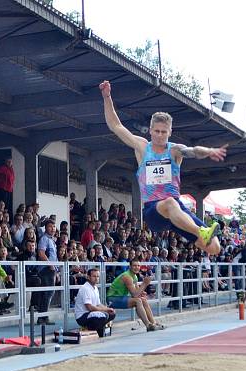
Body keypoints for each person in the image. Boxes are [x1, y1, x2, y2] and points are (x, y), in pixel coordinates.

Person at [100, 80, 225, 255]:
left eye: (163, 132)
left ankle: (199, 234)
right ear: (150, 130)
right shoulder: (143, 147)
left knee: (214, 248)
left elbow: (193, 151)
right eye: (156, 131)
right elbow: (116, 126)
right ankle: (200, 232)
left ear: (170, 132)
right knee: (170, 203)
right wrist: (107, 97)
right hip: (154, 210)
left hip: (177, 211)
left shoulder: (174, 151)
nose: (159, 135)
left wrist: (209, 151)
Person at [106, 260, 164, 331]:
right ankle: (148, 325)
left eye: (138, 266)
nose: (137, 267)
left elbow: (137, 292)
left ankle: (153, 323)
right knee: (138, 301)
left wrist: (142, 292)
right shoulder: (127, 277)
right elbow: (135, 295)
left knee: (143, 300)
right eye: (134, 265)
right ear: (130, 267)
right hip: (112, 299)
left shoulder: (134, 276)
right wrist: (144, 284)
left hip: (121, 297)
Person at [74, 268, 116, 337]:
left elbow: (98, 304)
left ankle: (99, 330)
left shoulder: (95, 288)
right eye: (94, 276)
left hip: (91, 313)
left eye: (97, 276)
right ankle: (88, 329)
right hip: (82, 316)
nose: (96, 278)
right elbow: (89, 307)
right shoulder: (85, 288)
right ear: (88, 277)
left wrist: (108, 309)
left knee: (112, 313)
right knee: (104, 315)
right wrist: (105, 310)